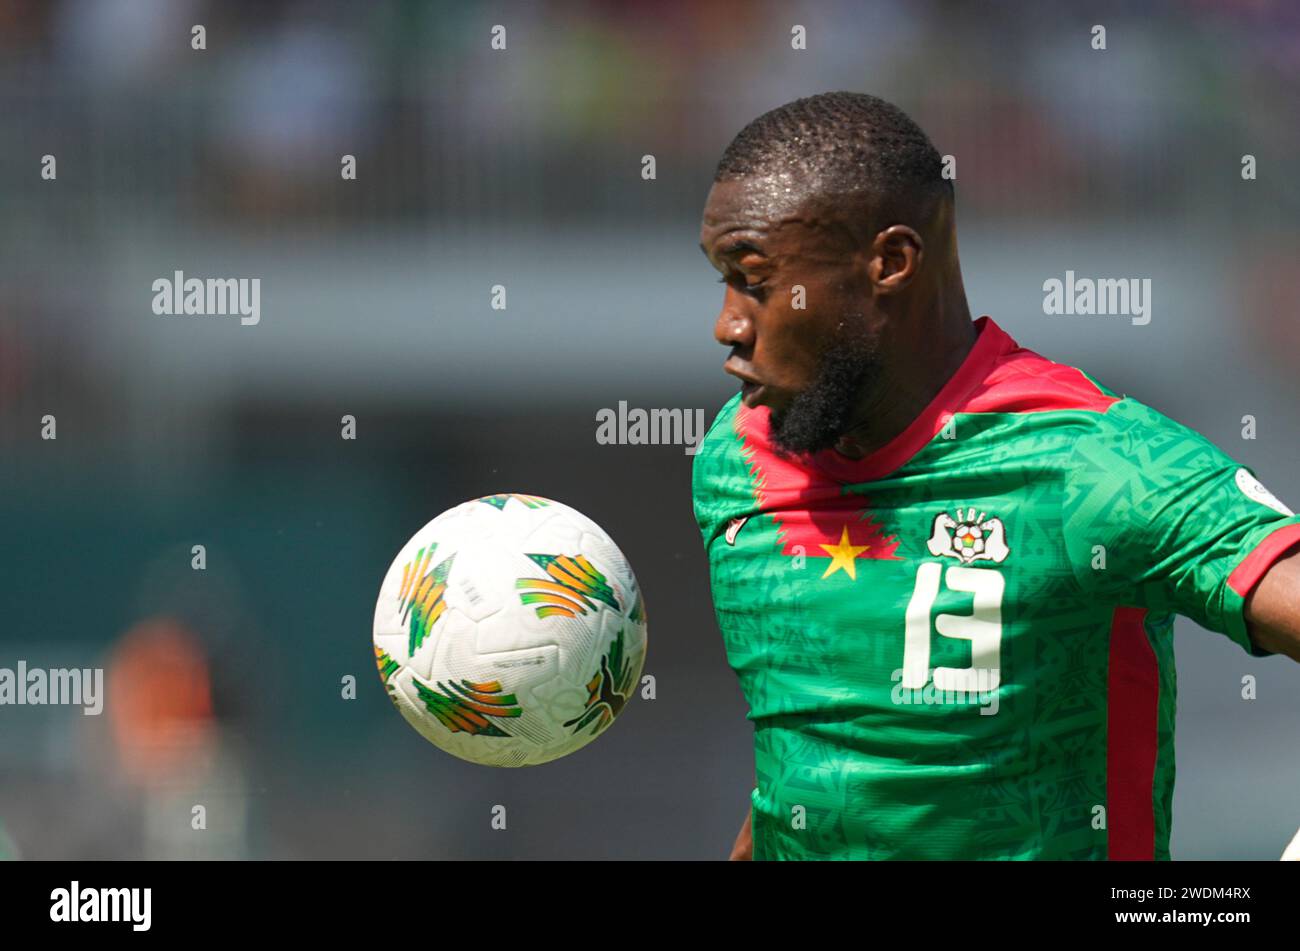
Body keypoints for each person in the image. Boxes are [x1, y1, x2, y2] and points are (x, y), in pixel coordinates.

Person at [693, 91, 1300, 860]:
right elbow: (803, 773)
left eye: (754, 280)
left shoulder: (1099, 464)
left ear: (889, 263)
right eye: (721, 279)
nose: (727, 324)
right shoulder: (736, 461)